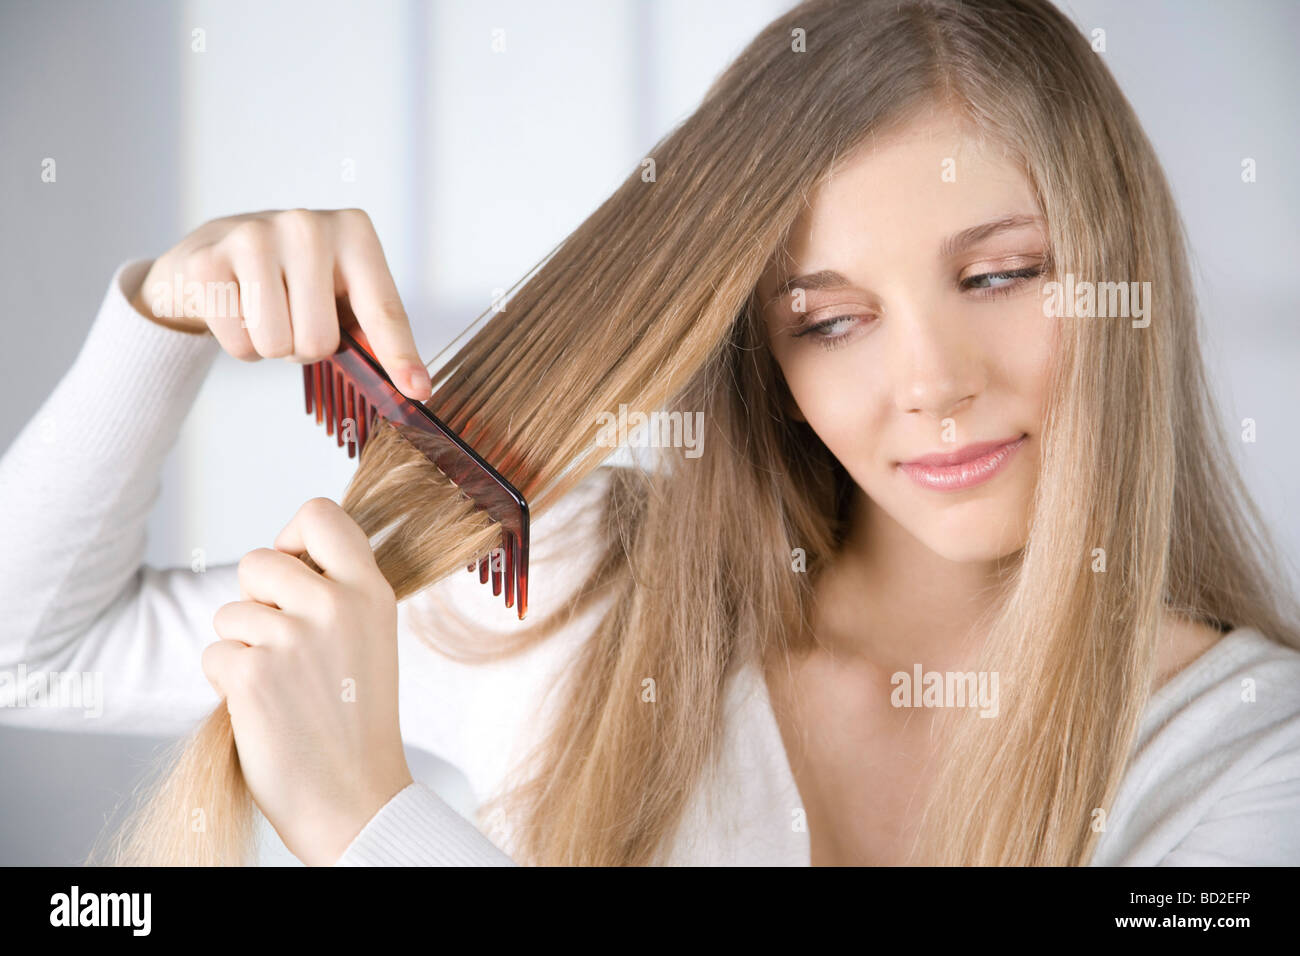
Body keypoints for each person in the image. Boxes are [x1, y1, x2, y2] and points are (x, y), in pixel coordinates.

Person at [2, 0, 1298, 866]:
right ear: (760, 354)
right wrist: (165, 323)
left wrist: (371, 824)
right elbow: (29, 652)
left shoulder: (1247, 758)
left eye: (1002, 276)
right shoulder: (574, 596)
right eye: (830, 320)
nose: (932, 387)